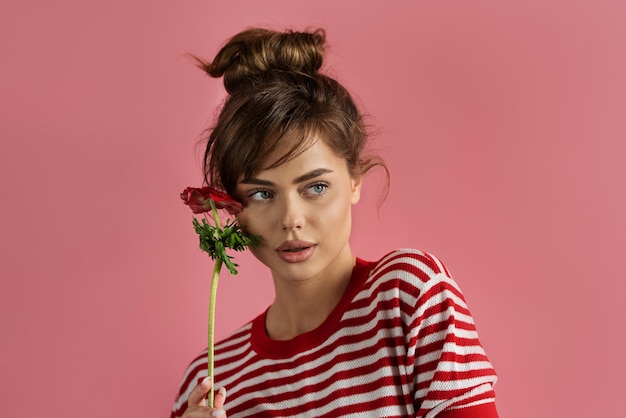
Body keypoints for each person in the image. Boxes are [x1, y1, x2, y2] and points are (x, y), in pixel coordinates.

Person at [171, 27, 498, 418]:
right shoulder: (209, 381)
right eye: (262, 193)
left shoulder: (408, 298)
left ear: (355, 180)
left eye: (316, 187)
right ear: (231, 204)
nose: (291, 220)